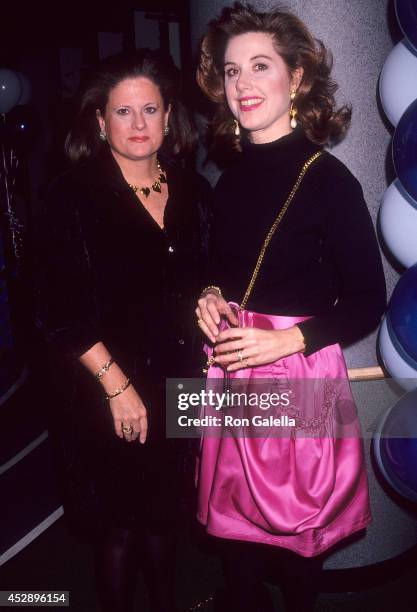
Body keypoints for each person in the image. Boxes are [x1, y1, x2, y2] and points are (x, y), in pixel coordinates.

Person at [195, 3, 386, 611]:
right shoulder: (227, 176)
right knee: (233, 533)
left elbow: (368, 302)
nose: (243, 85)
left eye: (259, 66)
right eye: (231, 71)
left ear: (296, 78)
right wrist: (205, 296)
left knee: (300, 537)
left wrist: (289, 340)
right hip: (228, 368)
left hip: (300, 371)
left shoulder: (331, 181)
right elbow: (222, 272)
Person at [35, 49, 212, 612]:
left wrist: (211, 292)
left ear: (168, 116)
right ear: (99, 121)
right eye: (123, 112)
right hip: (104, 390)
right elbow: (55, 309)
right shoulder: (71, 196)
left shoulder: (193, 190)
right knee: (119, 531)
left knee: (164, 521)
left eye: (151, 109)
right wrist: (116, 386)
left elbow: (211, 273)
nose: (139, 125)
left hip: (179, 384)